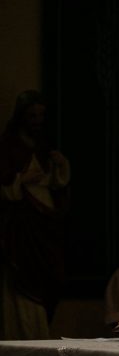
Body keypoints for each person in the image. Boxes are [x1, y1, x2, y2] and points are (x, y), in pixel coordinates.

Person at [0, 90, 70, 339]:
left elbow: (54, 182)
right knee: (22, 278)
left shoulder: (43, 145)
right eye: (32, 115)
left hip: (44, 223)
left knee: (47, 276)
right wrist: (21, 180)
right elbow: (6, 185)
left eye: (41, 115)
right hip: (22, 224)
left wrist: (61, 167)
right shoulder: (9, 146)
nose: (37, 121)